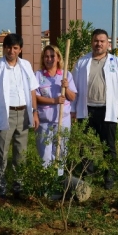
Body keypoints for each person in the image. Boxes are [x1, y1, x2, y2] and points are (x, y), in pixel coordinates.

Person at [71, 28, 118, 189]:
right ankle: (87, 177)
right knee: (86, 146)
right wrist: (73, 109)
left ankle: (109, 178)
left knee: (109, 146)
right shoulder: (82, 62)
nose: (99, 44)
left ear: (107, 44)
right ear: (91, 42)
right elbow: (74, 87)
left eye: (102, 41)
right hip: (86, 110)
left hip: (107, 110)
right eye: (96, 41)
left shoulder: (116, 63)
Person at [0, 33, 39, 200]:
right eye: (8, 47)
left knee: (21, 153)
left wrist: (34, 112)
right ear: (3, 48)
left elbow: (32, 90)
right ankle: (0, 191)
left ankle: (18, 188)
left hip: (24, 113)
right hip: (5, 114)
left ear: (20, 49)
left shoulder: (26, 65)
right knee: (1, 154)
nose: (11, 51)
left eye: (15, 48)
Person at [35, 45, 77, 173]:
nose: (49, 59)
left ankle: (58, 178)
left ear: (58, 58)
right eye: (46, 56)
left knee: (60, 152)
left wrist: (66, 87)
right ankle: (46, 179)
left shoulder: (66, 75)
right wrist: (54, 101)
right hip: (44, 121)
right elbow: (35, 97)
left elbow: (72, 97)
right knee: (45, 153)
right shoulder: (38, 75)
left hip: (62, 120)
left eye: (52, 56)